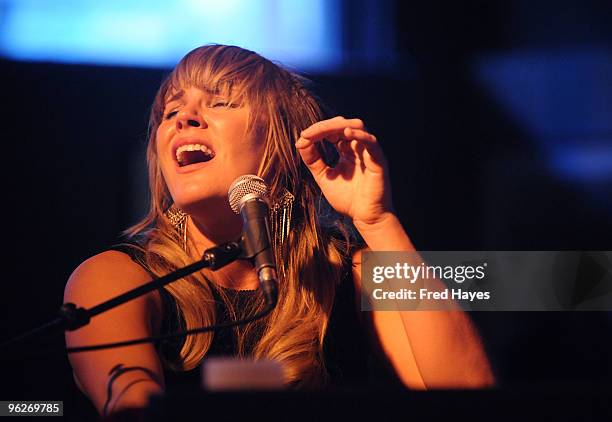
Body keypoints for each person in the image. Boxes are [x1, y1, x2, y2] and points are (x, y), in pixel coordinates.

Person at [64, 44, 494, 416]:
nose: (184, 119)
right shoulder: (116, 280)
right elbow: (136, 410)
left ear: (282, 145)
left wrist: (378, 223)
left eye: (220, 102)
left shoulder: (349, 273)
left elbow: (469, 399)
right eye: (171, 110)